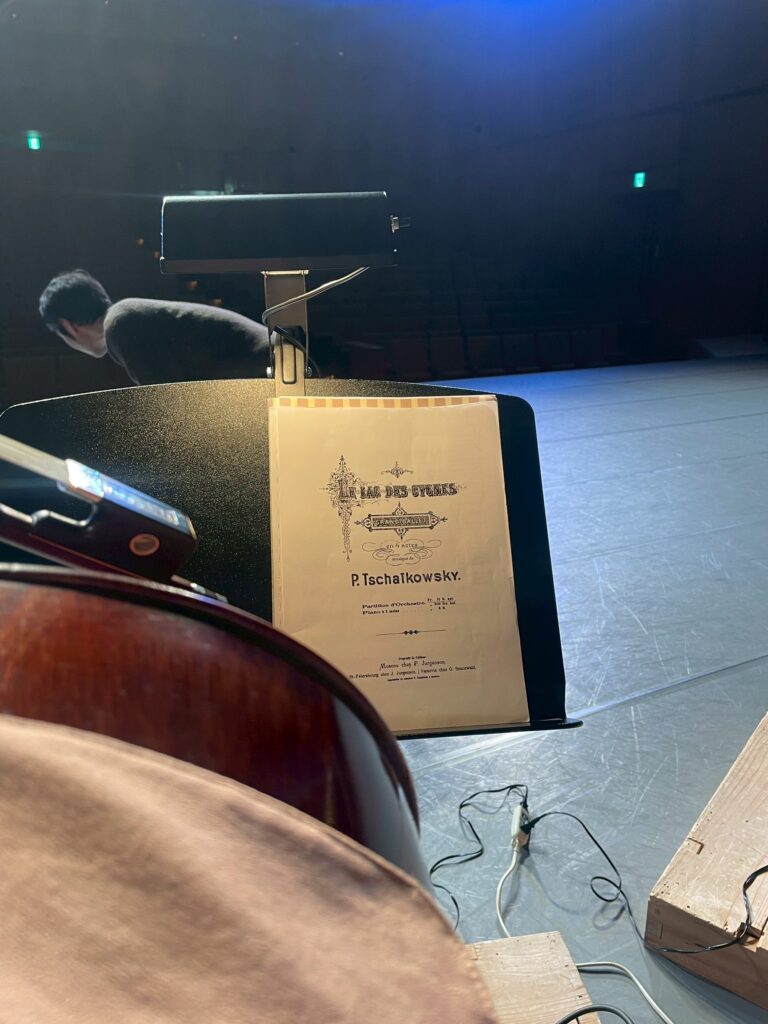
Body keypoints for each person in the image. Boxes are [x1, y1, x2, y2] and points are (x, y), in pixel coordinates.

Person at [38, 269, 285, 385]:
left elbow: (167, 407)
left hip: (280, 371)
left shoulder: (121, 325)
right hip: (276, 368)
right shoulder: (126, 315)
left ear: (68, 326)